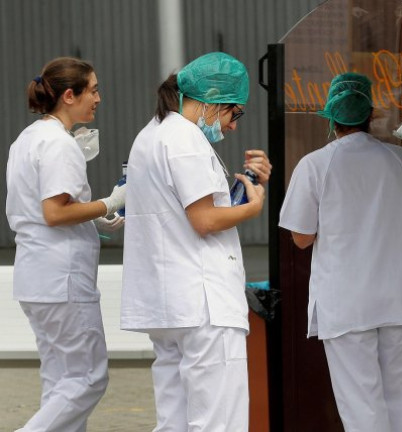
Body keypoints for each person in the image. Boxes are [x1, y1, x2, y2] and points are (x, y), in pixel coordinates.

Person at [120, 52, 271, 431]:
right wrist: (253, 208)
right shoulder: (185, 140)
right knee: (218, 420)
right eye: (234, 113)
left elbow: (186, 210)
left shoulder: (151, 135)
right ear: (212, 99)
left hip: (169, 302)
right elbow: (204, 219)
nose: (233, 126)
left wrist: (245, 187)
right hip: (204, 304)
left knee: (175, 419)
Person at [279, 72, 402, 431]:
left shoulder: (315, 164)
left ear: (331, 118)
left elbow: (301, 237)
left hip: (347, 304)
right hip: (398, 299)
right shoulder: (399, 159)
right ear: (370, 114)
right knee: (401, 401)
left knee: (362, 406)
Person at [5, 57, 126, 432]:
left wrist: (94, 215)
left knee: (60, 381)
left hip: (37, 277)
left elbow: (51, 209)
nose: (99, 98)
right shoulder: (59, 144)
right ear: (69, 95)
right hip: (63, 279)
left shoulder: (29, 138)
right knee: (87, 379)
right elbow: (55, 212)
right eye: (93, 89)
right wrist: (112, 201)